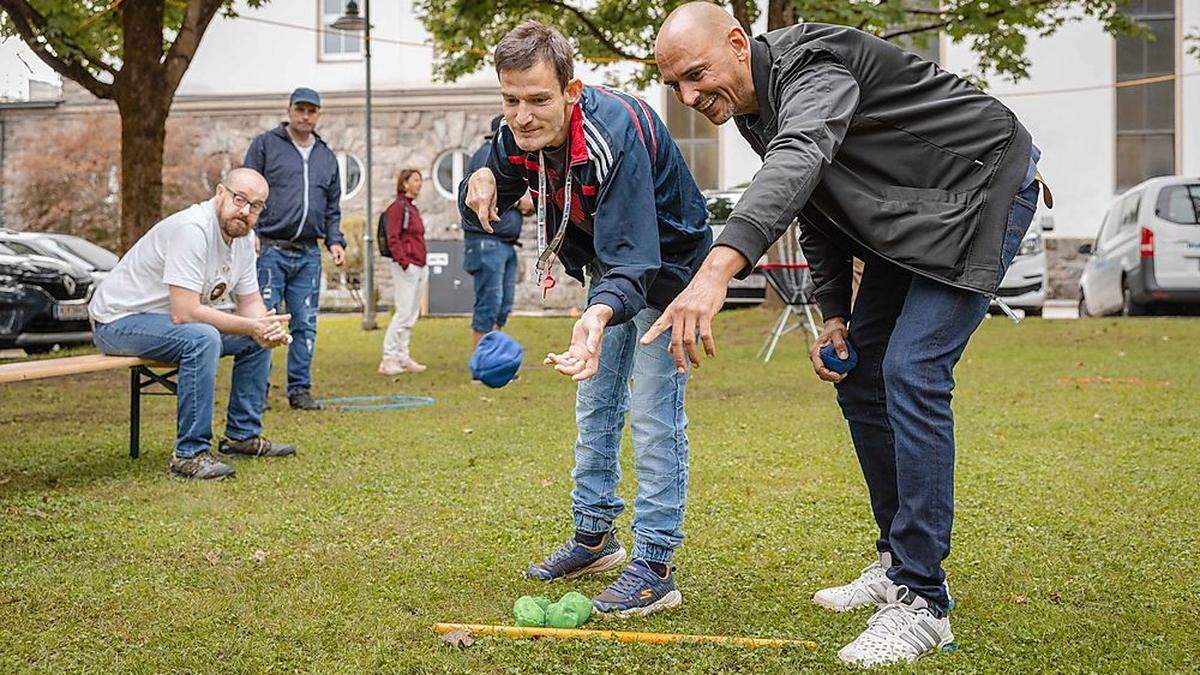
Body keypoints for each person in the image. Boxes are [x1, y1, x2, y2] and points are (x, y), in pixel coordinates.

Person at [650, 3, 1047, 666]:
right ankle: (897, 559)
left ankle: (923, 602)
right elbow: (816, 198)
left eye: (695, 74)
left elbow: (801, 158)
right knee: (860, 371)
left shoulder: (814, 66)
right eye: (675, 88)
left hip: (982, 186)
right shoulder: (757, 109)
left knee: (913, 370)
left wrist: (720, 266)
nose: (689, 97)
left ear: (738, 43)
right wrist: (835, 311)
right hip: (911, 214)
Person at [460, 21, 711, 618]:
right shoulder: (525, 125)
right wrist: (481, 171)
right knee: (594, 401)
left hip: (670, 270)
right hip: (612, 264)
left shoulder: (610, 136)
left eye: (538, 100)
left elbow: (636, 257)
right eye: (510, 99)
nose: (522, 116)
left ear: (572, 92)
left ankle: (654, 565)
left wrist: (598, 313)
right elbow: (500, 150)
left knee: (653, 410)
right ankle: (594, 539)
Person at [89, 168, 296, 481]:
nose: (245, 211)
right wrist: (251, 326)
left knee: (254, 339)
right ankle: (190, 455)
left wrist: (266, 326)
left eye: (255, 206)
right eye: (240, 199)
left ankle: (241, 436)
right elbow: (185, 312)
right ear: (220, 193)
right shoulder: (192, 229)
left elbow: (250, 302)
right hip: (117, 320)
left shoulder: (244, 238)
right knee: (202, 338)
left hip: (164, 322)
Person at [243, 87, 346, 411]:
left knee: (306, 323)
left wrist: (335, 240)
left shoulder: (326, 156)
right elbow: (246, 189)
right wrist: (251, 230)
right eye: (300, 109)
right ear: (289, 110)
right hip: (270, 248)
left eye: (312, 111)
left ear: (318, 115)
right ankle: (256, 391)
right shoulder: (265, 145)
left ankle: (300, 389)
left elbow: (332, 206)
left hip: (309, 254)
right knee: (264, 322)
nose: (305, 116)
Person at [463, 115, 535, 346]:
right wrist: (520, 202)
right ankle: (482, 364)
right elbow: (488, 193)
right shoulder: (488, 155)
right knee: (489, 303)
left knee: (502, 305)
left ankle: (493, 357)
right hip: (487, 241)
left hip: (504, 243)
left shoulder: (498, 155)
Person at [378, 169, 429, 376]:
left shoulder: (412, 208)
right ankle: (388, 358)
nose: (419, 184)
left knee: (411, 313)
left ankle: (402, 355)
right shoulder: (398, 208)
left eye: (420, 180)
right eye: (415, 180)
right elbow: (393, 237)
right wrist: (404, 262)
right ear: (404, 183)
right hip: (407, 267)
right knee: (403, 312)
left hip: (419, 265)